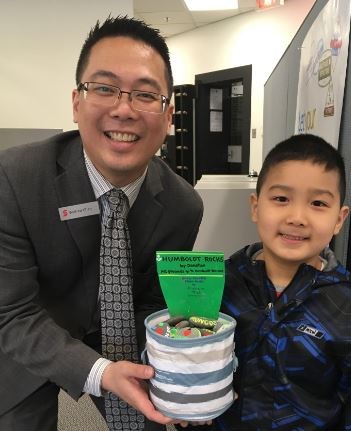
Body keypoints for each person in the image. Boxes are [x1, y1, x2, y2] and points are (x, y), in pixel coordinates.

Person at [0, 16, 203, 431]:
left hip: (115, 337)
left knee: (155, 419)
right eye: (105, 88)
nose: (123, 109)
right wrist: (96, 371)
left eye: (146, 95)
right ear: (76, 102)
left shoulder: (183, 206)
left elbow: (150, 302)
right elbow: (11, 312)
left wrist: (187, 370)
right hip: (23, 337)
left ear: (168, 117)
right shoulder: (14, 179)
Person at [215, 134, 351, 430]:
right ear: (255, 206)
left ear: (339, 219)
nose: (297, 217)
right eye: (281, 198)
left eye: (318, 203)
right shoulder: (221, 285)